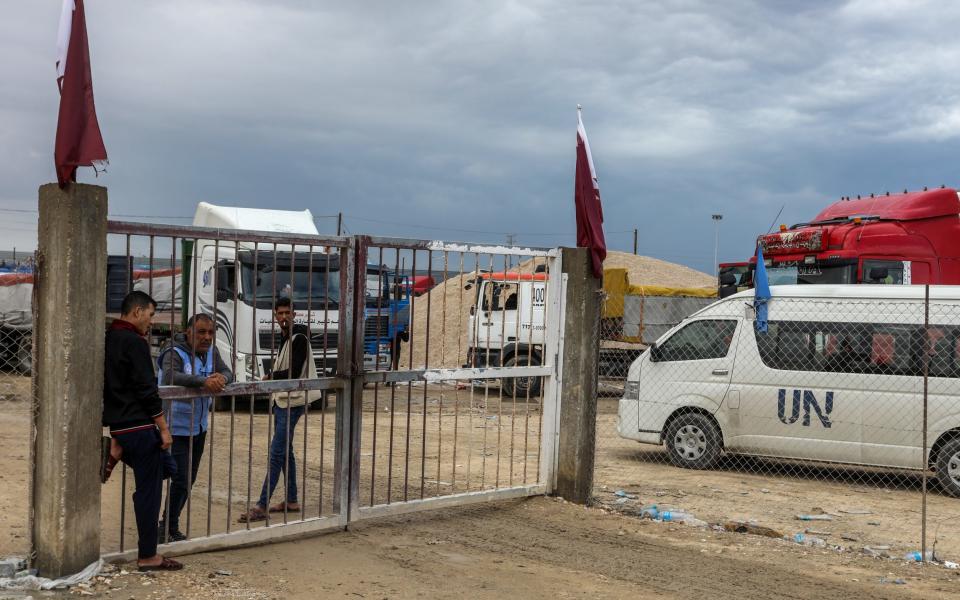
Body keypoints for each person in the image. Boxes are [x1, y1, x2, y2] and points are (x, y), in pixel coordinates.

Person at [102, 291, 183, 572]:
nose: (150, 322)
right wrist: (164, 428)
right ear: (136, 312)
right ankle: (148, 555)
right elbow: (147, 390)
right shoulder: (134, 342)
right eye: (149, 315)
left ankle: (116, 447)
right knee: (149, 491)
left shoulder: (110, 338)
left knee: (167, 468)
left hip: (122, 425)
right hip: (138, 425)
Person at [156, 313, 233, 542]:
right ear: (188, 332)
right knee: (179, 478)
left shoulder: (211, 352)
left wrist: (222, 378)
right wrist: (203, 381)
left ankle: (170, 525)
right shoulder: (174, 352)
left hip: (198, 427)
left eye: (210, 333)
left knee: (188, 479)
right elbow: (171, 375)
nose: (207, 337)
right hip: (175, 427)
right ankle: (164, 527)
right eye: (201, 332)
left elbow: (229, 372)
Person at [239, 297, 315, 522]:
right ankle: (291, 500)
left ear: (294, 314)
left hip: (292, 401)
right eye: (280, 313)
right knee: (285, 451)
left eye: (287, 313)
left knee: (277, 453)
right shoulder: (287, 337)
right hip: (283, 400)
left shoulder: (298, 338)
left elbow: (293, 373)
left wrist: (270, 377)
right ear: (275, 315)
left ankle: (261, 505)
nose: (283, 317)